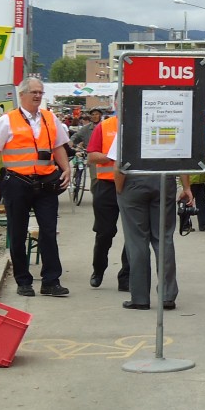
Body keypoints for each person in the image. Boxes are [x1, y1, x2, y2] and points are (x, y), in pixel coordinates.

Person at [0, 77, 71, 297]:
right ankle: (23, 281)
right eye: (33, 92)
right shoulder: (6, 121)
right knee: (18, 231)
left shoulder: (51, 118)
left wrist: (66, 168)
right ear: (21, 94)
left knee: (49, 232)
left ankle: (51, 281)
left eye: (40, 92)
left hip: (46, 184)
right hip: (17, 183)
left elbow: (59, 146)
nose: (38, 96)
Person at [109, 133, 195, 310]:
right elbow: (182, 158)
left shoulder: (128, 125)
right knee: (164, 238)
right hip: (164, 179)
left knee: (137, 240)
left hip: (133, 180)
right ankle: (168, 295)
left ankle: (140, 298)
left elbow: (119, 163)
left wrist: (120, 191)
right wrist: (186, 187)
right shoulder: (173, 125)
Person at [85, 105, 130, 290]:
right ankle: (98, 269)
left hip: (132, 186)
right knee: (104, 233)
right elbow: (91, 156)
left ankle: (126, 277)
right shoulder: (104, 127)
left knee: (133, 235)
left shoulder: (141, 125)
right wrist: (112, 156)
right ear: (117, 104)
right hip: (106, 186)